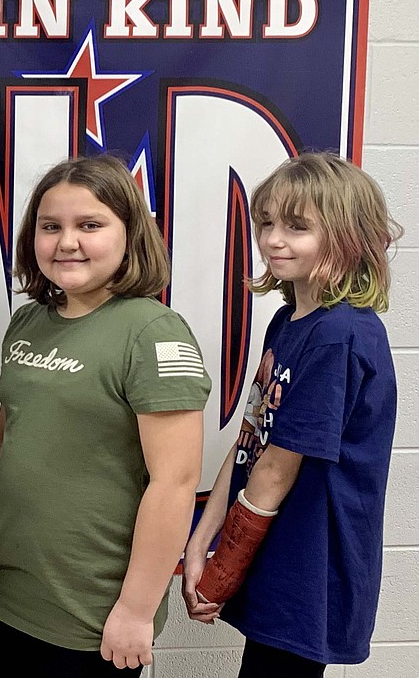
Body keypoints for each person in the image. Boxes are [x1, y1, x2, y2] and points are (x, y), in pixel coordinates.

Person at [0, 155, 210, 677]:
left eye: (90, 225)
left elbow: (175, 483)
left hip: (91, 617)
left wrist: (135, 610)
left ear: (130, 233)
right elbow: (5, 439)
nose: (66, 242)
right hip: (2, 592)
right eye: (50, 226)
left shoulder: (154, 332)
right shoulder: (27, 323)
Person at [182, 152, 400, 677]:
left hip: (312, 564)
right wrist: (198, 541)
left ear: (350, 235)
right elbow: (250, 440)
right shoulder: (288, 320)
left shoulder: (340, 334)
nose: (273, 239)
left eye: (297, 227)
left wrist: (220, 571)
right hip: (275, 553)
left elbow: (277, 470)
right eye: (266, 223)